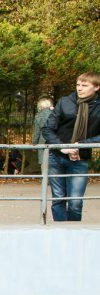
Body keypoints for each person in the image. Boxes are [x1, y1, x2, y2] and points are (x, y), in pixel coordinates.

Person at [42, 72, 100, 222]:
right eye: (78, 85)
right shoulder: (65, 102)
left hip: (80, 159)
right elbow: (47, 129)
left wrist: (81, 145)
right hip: (57, 156)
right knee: (59, 199)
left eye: (84, 85)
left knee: (75, 202)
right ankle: (61, 233)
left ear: (97, 87)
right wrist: (63, 147)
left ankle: (74, 234)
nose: (79, 88)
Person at [32, 97, 54, 166]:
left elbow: (37, 132)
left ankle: (44, 176)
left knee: (44, 163)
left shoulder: (38, 116)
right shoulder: (55, 114)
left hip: (43, 141)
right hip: (55, 140)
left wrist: (34, 144)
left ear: (40, 106)